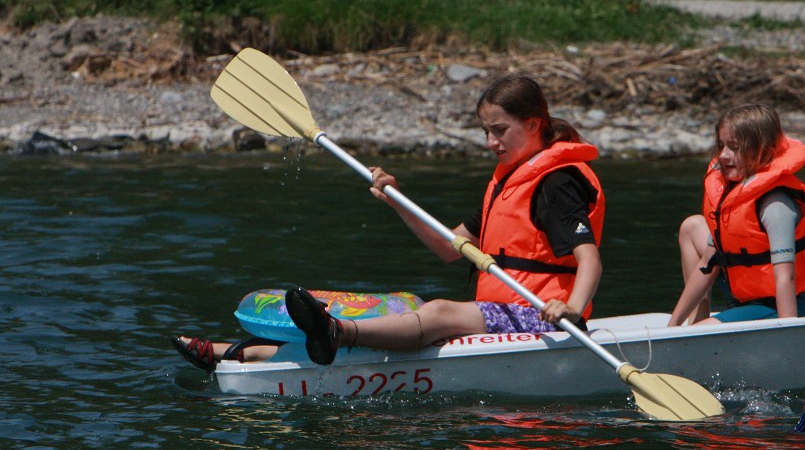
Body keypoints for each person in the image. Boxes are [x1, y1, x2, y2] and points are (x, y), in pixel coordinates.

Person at [173, 74, 604, 371]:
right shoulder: (510, 181)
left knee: (436, 313)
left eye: (500, 131)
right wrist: (396, 201)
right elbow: (447, 246)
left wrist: (570, 308)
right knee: (408, 315)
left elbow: (589, 260)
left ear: (533, 124)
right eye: (485, 131)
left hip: (543, 319)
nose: (491, 142)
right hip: (504, 313)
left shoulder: (555, 184)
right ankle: (243, 353)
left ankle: (336, 331)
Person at [667, 103, 805, 327]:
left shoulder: (775, 204)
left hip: (784, 306)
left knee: (704, 332)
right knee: (692, 226)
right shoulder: (731, 197)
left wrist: (790, 333)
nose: (723, 155)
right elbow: (707, 265)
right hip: (748, 299)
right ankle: (698, 319)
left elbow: (785, 278)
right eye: (722, 146)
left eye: (734, 147)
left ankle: (705, 326)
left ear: (762, 150)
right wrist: (672, 326)